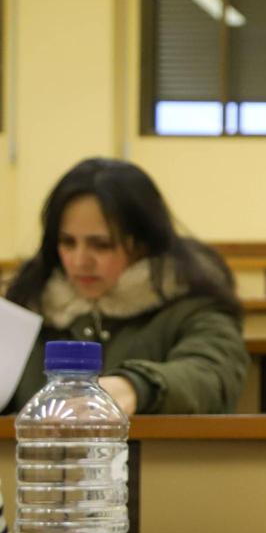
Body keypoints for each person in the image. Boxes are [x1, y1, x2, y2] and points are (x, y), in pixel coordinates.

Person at [3, 157, 249, 416]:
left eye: (101, 245)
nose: (79, 261)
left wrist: (135, 386)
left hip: (154, 457)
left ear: (144, 243)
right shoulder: (26, 301)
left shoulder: (194, 304)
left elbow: (212, 375)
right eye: (67, 242)